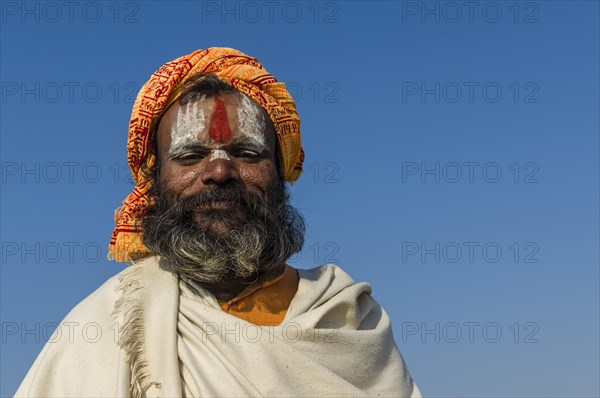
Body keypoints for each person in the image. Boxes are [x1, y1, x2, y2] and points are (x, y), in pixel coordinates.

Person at [15, 47, 421, 398]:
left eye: (246, 152)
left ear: (281, 171)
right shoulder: (104, 326)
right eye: (190, 157)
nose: (219, 170)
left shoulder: (349, 318)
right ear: (154, 181)